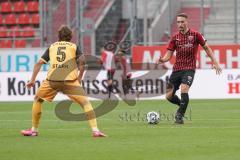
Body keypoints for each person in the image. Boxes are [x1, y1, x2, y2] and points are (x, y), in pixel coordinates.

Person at [21, 25, 106, 137]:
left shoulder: (52, 47)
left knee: (38, 99)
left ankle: (34, 130)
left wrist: (32, 80)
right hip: (70, 81)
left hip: (53, 80)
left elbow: (39, 63)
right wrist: (79, 78)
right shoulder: (74, 47)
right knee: (85, 103)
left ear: (59, 36)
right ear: (70, 36)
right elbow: (82, 63)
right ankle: (95, 130)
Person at [157, 13, 222, 124]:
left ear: (187, 22)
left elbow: (207, 48)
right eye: (178, 22)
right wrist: (163, 60)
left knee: (184, 89)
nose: (180, 24)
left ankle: (179, 116)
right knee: (168, 96)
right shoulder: (175, 38)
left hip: (189, 68)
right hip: (177, 69)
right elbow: (169, 54)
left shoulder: (196, 35)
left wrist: (214, 61)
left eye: (182, 22)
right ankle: (182, 104)